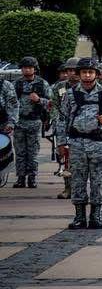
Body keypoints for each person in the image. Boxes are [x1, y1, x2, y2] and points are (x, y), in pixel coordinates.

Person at [56, 58, 102, 229]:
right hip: (77, 142)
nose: (87, 75)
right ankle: (79, 217)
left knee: (98, 179)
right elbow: (62, 119)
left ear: (96, 74)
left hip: (100, 143)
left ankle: (96, 216)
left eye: (91, 72)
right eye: (84, 72)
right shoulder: (70, 94)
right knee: (78, 179)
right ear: (79, 74)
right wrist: (62, 142)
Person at [10, 56, 50, 189]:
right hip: (19, 122)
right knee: (20, 152)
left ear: (35, 69)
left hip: (34, 121)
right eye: (24, 67)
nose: (27, 70)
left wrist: (39, 100)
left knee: (33, 153)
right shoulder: (16, 84)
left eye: (30, 67)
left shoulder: (42, 83)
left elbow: (51, 103)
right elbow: (10, 102)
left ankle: (32, 178)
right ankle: (21, 178)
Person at [51, 58, 79, 198]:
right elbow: (54, 105)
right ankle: (68, 188)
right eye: (69, 70)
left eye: (74, 70)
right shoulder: (60, 87)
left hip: (81, 130)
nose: (72, 73)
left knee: (81, 162)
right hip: (63, 128)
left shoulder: (86, 86)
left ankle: (80, 189)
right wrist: (56, 119)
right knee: (65, 159)